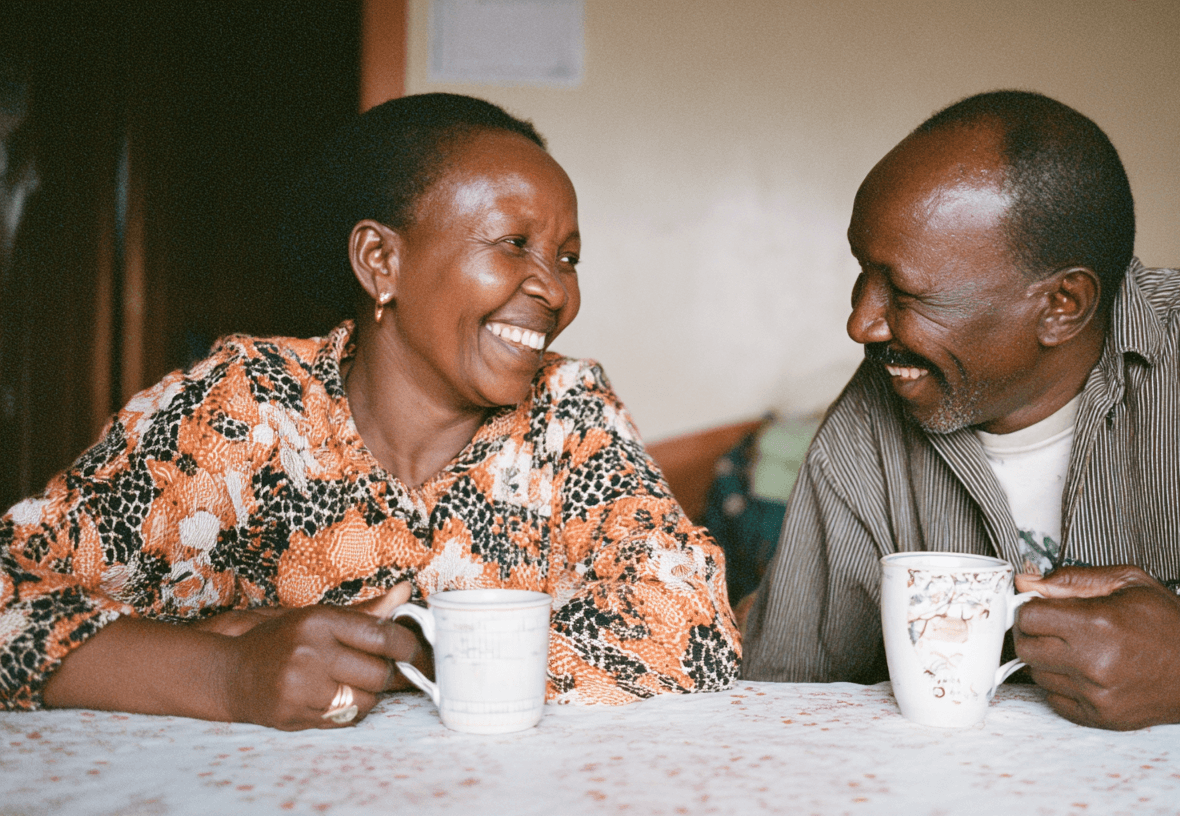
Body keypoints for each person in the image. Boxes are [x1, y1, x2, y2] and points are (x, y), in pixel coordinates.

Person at [0, 93, 740, 730]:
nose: (554, 290)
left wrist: (404, 649)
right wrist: (225, 673)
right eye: (515, 244)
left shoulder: (568, 414)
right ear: (379, 261)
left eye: (568, 257)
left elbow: (692, 621)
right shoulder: (245, 407)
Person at [742, 90, 1180, 741]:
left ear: (1063, 305)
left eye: (905, 293)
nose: (861, 324)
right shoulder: (866, 429)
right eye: (862, 273)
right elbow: (777, 705)